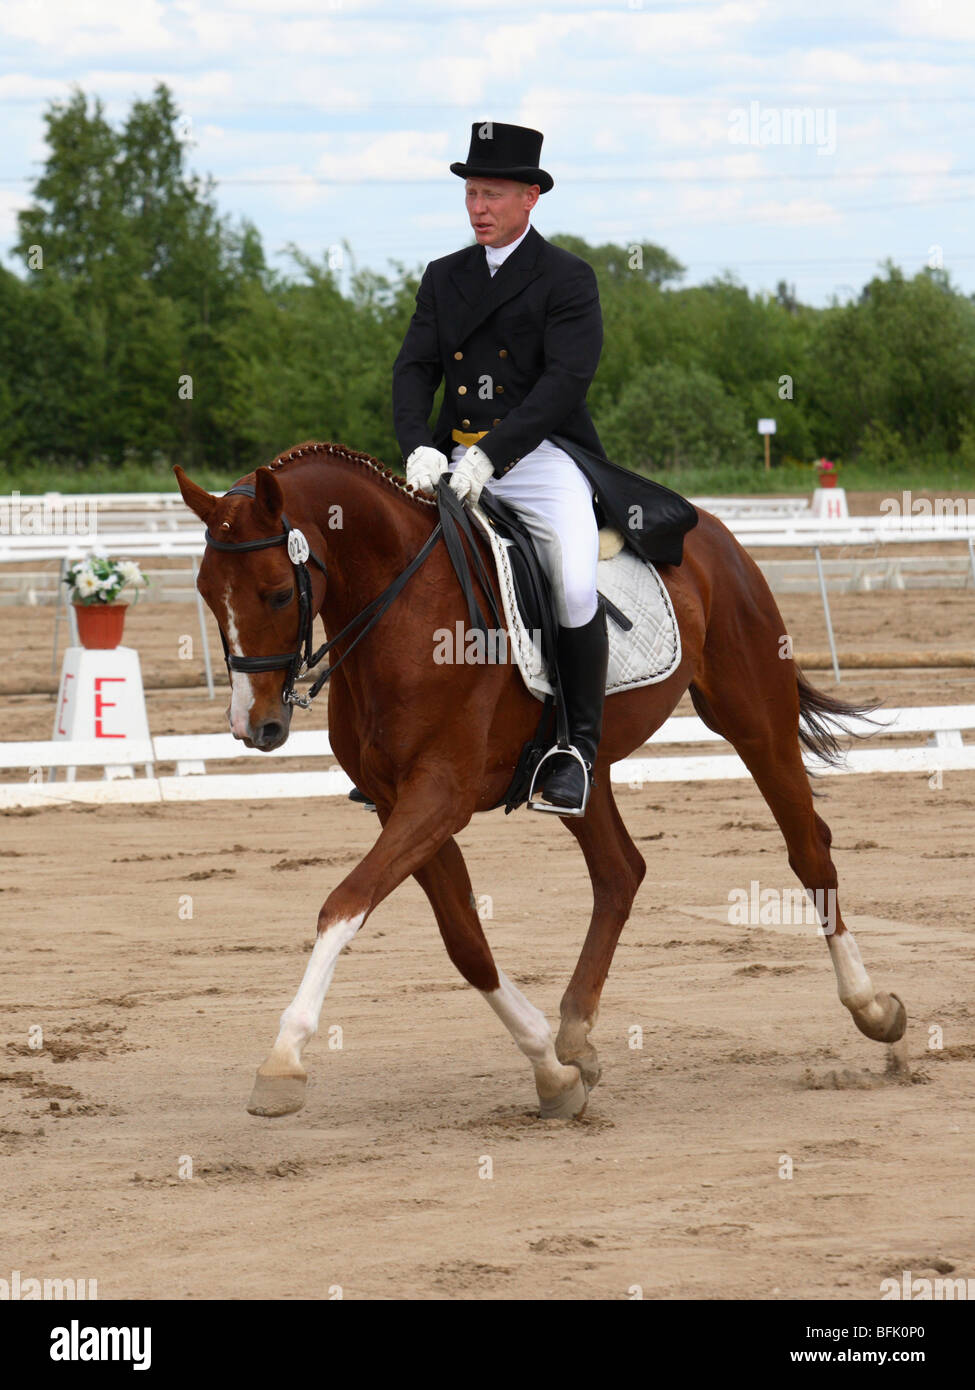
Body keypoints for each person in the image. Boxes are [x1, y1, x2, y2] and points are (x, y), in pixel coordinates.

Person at [392, 121, 697, 814]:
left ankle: (575, 749)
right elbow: (413, 367)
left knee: (571, 582)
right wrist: (417, 442)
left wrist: (491, 455)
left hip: (538, 457)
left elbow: (563, 384)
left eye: (492, 193)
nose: (477, 207)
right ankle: (406, 740)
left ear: (530, 197)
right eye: (471, 192)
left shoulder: (566, 278)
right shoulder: (444, 277)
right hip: (450, 458)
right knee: (407, 573)